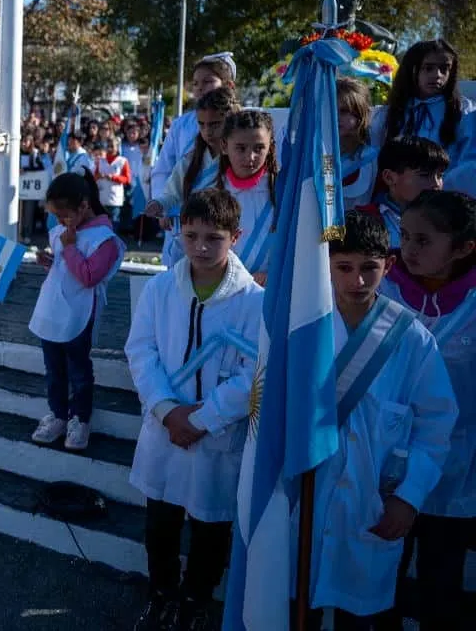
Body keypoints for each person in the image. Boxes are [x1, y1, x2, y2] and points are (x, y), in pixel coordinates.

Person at [298, 211, 456, 630]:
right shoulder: (304, 329)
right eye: (344, 267)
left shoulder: (411, 338)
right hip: (304, 497)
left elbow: (437, 425)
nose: (357, 281)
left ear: (388, 264)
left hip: (373, 503)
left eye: (369, 268)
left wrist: (409, 497)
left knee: (361, 612)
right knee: (297, 604)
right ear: (326, 265)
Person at [125, 189, 263, 631]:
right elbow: (141, 351)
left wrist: (201, 419)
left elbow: (254, 373)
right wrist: (168, 410)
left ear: (236, 237)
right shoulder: (161, 288)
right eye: (191, 236)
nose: (201, 247)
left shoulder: (253, 301)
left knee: (211, 528)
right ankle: (161, 593)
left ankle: (196, 600)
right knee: (160, 524)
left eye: (213, 238)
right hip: (165, 430)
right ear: (178, 233)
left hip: (215, 436)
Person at [378, 191, 476, 630]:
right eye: (405, 236)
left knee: (441, 576)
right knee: (383, 575)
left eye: (424, 241)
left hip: (455, 465)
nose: (409, 249)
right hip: (385, 462)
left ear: (463, 248)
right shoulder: (383, 284)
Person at [29, 171, 126, 450]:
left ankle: (80, 418)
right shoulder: (63, 231)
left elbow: (88, 276)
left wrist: (69, 249)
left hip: (78, 314)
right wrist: (50, 261)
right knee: (53, 368)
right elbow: (65, 269)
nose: (59, 222)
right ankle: (57, 414)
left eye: (64, 215)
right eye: (56, 217)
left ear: (84, 206)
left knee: (78, 369)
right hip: (53, 309)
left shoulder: (104, 239)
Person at [145, 88, 240, 267]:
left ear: (230, 121)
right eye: (202, 124)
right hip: (191, 235)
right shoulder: (191, 159)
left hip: (222, 237)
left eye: (214, 124)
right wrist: (159, 204)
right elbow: (172, 193)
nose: (207, 131)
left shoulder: (238, 160)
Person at [371, 39, 476, 194]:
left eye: (444, 69)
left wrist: (436, 188)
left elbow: (469, 163)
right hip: (393, 201)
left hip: (443, 201)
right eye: (428, 68)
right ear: (412, 69)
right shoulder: (389, 114)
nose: (437, 75)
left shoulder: (464, 112)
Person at [150, 53, 236, 198]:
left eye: (207, 82)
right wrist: (161, 202)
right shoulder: (180, 125)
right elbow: (163, 169)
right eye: (195, 83)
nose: (199, 88)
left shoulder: (239, 121)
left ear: (228, 85)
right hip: (184, 210)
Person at [212, 110, 278, 283]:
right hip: (225, 285)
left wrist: (273, 275)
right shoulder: (212, 190)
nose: (250, 157)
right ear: (225, 146)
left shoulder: (282, 189)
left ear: (270, 146)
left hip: (271, 286)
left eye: (259, 148)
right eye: (241, 148)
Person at [357, 136, 448, 250]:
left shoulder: (449, 222)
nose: (436, 184)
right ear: (389, 177)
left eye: (440, 176)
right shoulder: (364, 221)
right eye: (424, 175)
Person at [338, 77, 379, 210]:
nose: (335, 117)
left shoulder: (369, 158)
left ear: (360, 114)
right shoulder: (312, 154)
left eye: (344, 111)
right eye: (330, 110)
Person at [93, 136, 132, 230]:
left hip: (115, 199)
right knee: (102, 224)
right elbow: (94, 177)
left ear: (117, 147)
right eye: (108, 146)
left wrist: (113, 177)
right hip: (102, 198)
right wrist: (99, 176)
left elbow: (127, 179)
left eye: (112, 146)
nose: (110, 148)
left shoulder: (123, 161)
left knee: (114, 224)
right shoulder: (101, 161)